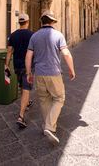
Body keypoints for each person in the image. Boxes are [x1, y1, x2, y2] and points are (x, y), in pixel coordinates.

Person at [25, 10, 75, 143]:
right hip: (54, 73)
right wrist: (71, 69)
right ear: (53, 22)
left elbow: (28, 56)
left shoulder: (34, 36)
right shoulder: (58, 35)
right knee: (59, 98)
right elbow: (66, 53)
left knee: (43, 99)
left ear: (41, 21)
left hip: (39, 74)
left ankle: (47, 126)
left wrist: (28, 73)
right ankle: (49, 126)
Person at [5, 13, 34, 128]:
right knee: (26, 89)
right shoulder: (32, 34)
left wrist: (6, 65)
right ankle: (21, 116)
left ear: (19, 22)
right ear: (27, 22)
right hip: (28, 66)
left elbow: (9, 52)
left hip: (16, 65)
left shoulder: (13, 35)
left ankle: (26, 103)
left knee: (22, 86)